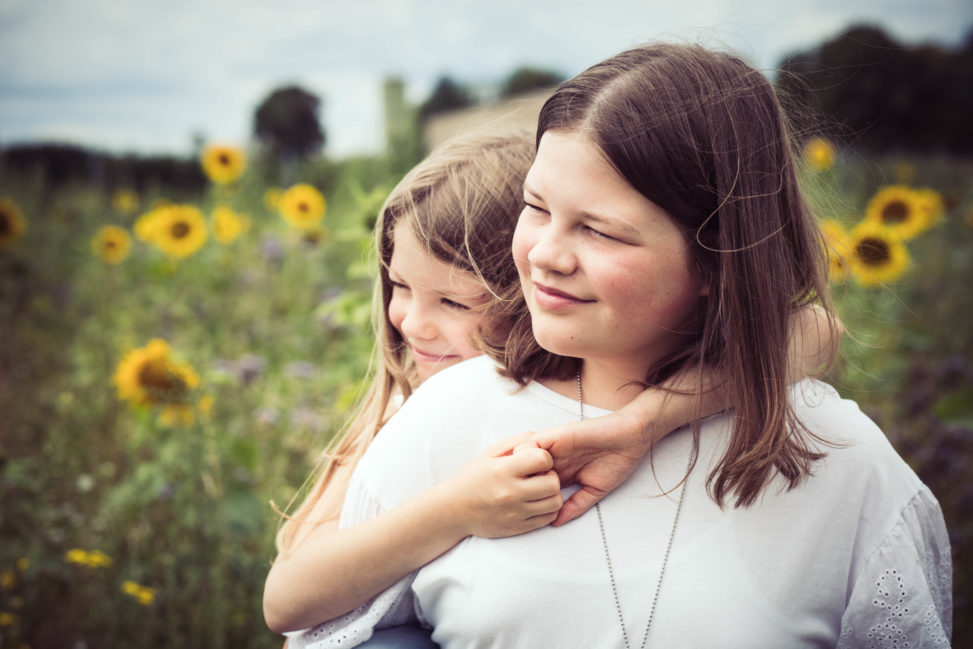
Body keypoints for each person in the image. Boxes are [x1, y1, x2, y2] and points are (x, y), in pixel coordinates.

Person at [302, 43, 952, 648]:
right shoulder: (443, 420)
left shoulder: (846, 468)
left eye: (601, 231)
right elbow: (304, 614)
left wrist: (643, 421)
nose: (546, 254)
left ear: (718, 259)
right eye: (535, 206)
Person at [266, 131, 840, 647]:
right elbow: (288, 600)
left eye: (453, 302)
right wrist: (457, 509)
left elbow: (815, 329)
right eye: (400, 288)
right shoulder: (408, 411)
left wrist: (644, 422)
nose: (411, 323)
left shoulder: (598, 376)